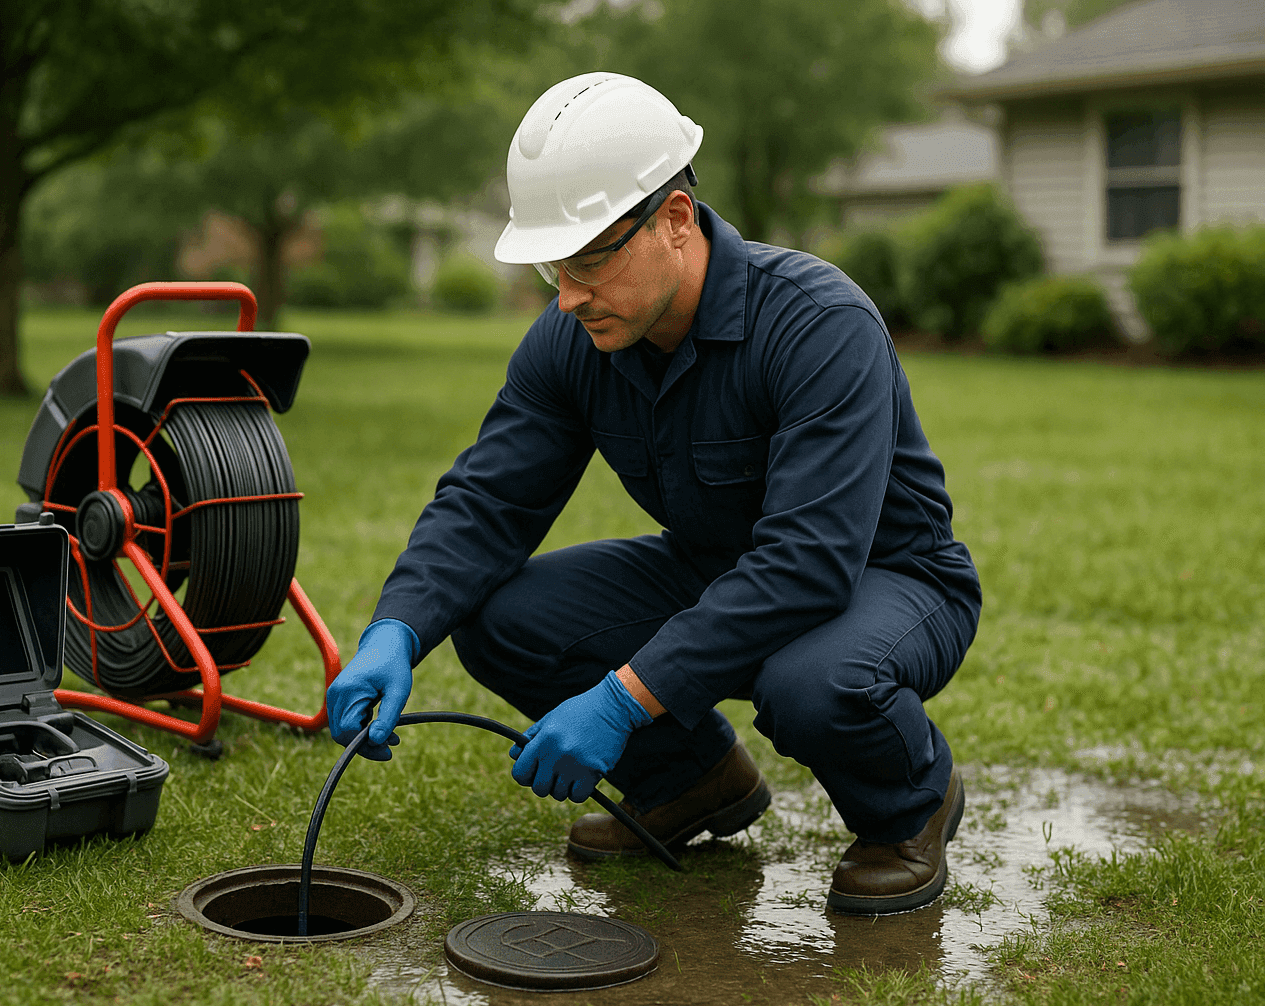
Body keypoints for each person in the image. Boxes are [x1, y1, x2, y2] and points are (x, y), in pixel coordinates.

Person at [325, 72, 981, 915]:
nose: (567, 295)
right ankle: (692, 781)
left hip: (887, 579)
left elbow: (810, 563)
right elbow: (488, 501)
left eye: (589, 260)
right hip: (716, 568)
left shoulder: (819, 324)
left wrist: (621, 699)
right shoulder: (575, 337)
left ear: (674, 219)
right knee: (501, 619)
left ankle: (910, 805)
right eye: (553, 266)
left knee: (811, 684)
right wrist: (397, 629)